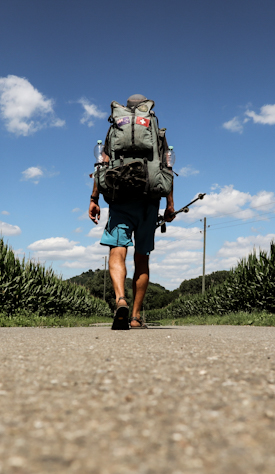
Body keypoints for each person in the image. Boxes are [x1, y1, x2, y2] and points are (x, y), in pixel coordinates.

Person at [89, 94, 175, 330]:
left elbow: (102, 164)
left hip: (120, 197)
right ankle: (136, 317)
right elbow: (167, 168)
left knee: (118, 250)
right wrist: (169, 205)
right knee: (142, 257)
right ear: (146, 109)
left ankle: (120, 299)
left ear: (126, 109)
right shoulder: (157, 132)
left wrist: (94, 198)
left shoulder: (115, 127)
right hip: (149, 199)